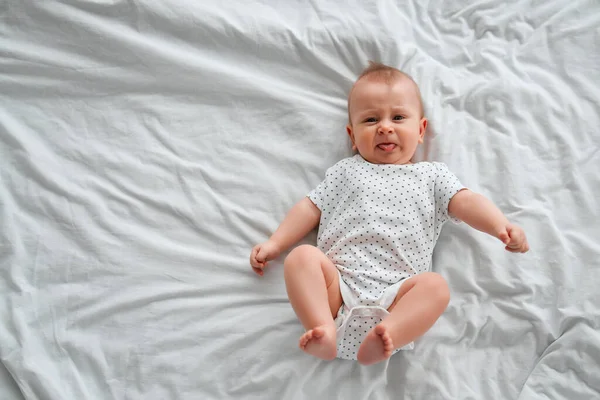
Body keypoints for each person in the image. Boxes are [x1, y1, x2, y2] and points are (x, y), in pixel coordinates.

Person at [249, 62, 529, 365]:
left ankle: (387, 333)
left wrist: (500, 225)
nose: (385, 127)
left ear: (421, 130)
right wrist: (276, 244)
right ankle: (322, 329)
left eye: (398, 117)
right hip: (338, 293)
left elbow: (467, 201)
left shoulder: (433, 176)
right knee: (302, 258)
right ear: (352, 136)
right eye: (370, 120)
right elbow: (309, 207)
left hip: (397, 299)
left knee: (435, 286)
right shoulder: (345, 172)